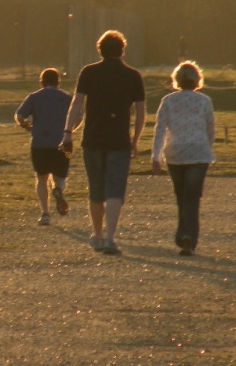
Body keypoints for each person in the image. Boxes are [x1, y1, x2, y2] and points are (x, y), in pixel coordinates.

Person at [60, 30, 146, 256]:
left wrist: (68, 132)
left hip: (93, 139)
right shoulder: (132, 75)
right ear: (122, 50)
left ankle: (97, 235)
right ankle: (110, 238)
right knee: (115, 190)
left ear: (100, 50)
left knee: (96, 188)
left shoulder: (89, 72)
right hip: (119, 140)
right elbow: (140, 112)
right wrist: (135, 140)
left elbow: (76, 104)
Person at [151, 61, 216, 256]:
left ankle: (183, 234)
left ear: (177, 80)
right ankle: (188, 237)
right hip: (199, 152)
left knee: (181, 196)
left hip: (175, 152)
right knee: (192, 197)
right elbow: (210, 128)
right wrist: (207, 146)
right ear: (197, 80)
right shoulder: (204, 101)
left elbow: (160, 130)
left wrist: (156, 156)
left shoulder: (168, 101)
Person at [14, 68, 72, 226]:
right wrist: (70, 131)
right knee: (60, 176)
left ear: (41, 82)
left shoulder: (34, 97)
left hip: (40, 143)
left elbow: (19, 115)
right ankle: (58, 190)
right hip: (63, 143)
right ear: (58, 82)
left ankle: (45, 214)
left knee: (41, 178)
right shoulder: (67, 98)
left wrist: (25, 125)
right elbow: (79, 116)